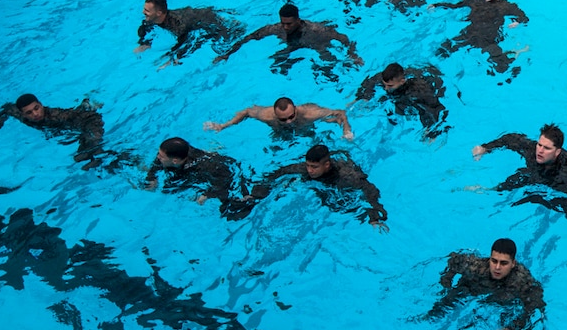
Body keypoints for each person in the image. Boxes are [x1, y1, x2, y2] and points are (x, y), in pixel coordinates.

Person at [472, 123, 567, 262]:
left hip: (563, 192)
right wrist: (485, 148)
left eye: (546, 148)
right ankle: (484, 190)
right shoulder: (532, 150)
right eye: (539, 145)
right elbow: (511, 138)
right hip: (533, 178)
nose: (540, 150)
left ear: (557, 152)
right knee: (509, 184)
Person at [429, 238, 545, 330]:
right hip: (472, 288)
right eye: (494, 261)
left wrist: (510, 329)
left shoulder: (521, 280)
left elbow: (535, 304)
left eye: (504, 263)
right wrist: (446, 281)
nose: (497, 267)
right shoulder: (477, 266)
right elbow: (454, 260)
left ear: (513, 263)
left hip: (500, 299)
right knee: (448, 300)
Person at [249, 145, 388, 230]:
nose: (309, 170)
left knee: (341, 206)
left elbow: (369, 191)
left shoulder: (346, 176)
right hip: (324, 183)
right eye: (308, 165)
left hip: (339, 184)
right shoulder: (306, 168)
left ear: (326, 165)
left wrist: (374, 217)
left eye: (314, 167)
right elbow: (279, 173)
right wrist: (256, 194)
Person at [213, 4, 362, 74]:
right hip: (294, 46)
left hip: (316, 45)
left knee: (328, 69)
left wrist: (352, 54)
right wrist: (228, 53)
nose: (285, 27)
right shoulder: (277, 28)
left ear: (298, 20)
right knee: (276, 66)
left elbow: (343, 38)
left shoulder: (316, 30)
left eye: (289, 24)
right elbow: (250, 37)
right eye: (283, 23)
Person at [432, 0, 528, 76]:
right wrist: (436, 5)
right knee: (442, 50)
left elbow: (524, 17)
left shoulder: (505, 6)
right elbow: (455, 5)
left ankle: (516, 54)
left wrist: (517, 22)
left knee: (502, 68)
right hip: (469, 34)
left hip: (488, 39)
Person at [0, 93, 104, 164]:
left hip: (89, 121)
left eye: (36, 108)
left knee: (85, 153)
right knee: (80, 159)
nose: (35, 114)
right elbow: (6, 109)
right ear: (22, 113)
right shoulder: (17, 113)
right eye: (29, 112)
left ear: (41, 105)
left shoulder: (55, 116)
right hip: (72, 125)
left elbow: (82, 116)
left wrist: (89, 107)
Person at [144, 137, 250, 219]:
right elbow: (157, 163)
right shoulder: (177, 153)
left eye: (161, 156)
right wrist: (152, 177)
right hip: (190, 169)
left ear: (174, 161)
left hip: (223, 172)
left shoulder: (202, 167)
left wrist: (208, 194)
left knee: (229, 208)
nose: (158, 157)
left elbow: (224, 179)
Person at [351, 63, 448, 139]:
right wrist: (363, 97)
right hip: (405, 86)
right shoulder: (389, 78)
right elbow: (370, 82)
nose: (385, 88)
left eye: (390, 86)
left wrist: (431, 131)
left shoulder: (418, 92)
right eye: (384, 84)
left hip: (428, 84)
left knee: (402, 110)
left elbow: (435, 108)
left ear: (402, 81)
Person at [136, 0, 240, 62]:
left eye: (146, 10)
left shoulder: (177, 24)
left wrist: (174, 57)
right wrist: (145, 43)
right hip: (195, 16)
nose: (143, 12)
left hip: (211, 21)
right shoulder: (150, 19)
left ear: (158, 13)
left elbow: (186, 41)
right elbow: (144, 28)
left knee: (224, 48)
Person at [204, 96, 353, 140]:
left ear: (295, 110)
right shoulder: (266, 115)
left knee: (311, 137)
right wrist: (224, 126)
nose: (289, 121)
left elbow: (340, 112)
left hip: (305, 127)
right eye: (283, 119)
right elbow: (247, 111)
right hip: (279, 133)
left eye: (291, 117)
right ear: (275, 115)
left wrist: (346, 130)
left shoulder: (310, 113)